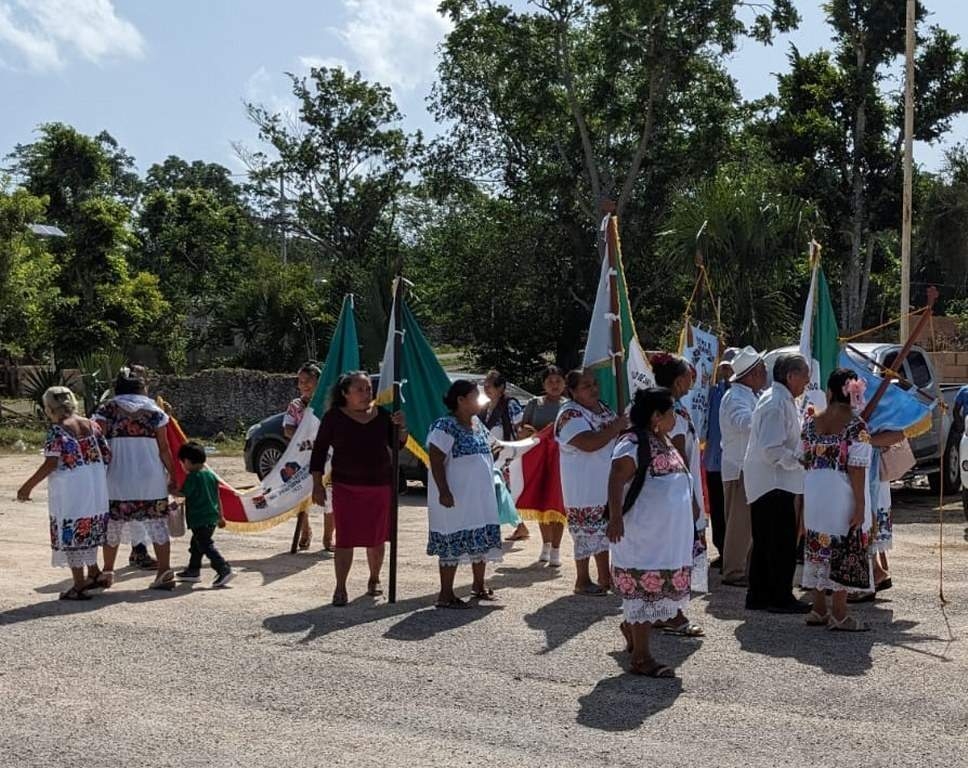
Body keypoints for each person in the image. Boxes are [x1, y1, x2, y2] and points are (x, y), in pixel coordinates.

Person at [607, 388, 695, 677]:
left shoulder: (663, 439)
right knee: (644, 591)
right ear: (656, 416)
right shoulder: (632, 443)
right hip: (643, 536)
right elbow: (617, 476)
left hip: (666, 537)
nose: (674, 417)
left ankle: (633, 629)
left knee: (652, 593)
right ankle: (642, 658)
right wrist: (616, 518)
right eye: (670, 412)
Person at [310, 372, 405, 606]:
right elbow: (319, 451)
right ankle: (340, 587)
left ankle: (374, 579)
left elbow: (396, 445)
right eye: (360, 390)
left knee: (377, 537)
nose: (366, 394)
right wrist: (317, 485)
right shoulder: (333, 417)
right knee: (345, 538)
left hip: (379, 486)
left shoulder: (383, 416)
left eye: (368, 390)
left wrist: (402, 428)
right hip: (345, 486)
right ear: (345, 393)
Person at [16, 387, 110, 600]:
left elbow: (51, 462)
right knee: (89, 527)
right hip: (95, 486)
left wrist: (27, 486)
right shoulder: (92, 425)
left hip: (71, 488)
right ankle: (94, 572)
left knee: (72, 530)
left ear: (49, 408)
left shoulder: (57, 431)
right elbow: (106, 455)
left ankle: (79, 584)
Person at [800, 369, 875, 630]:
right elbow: (857, 468)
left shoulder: (810, 423)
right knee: (844, 546)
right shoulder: (857, 426)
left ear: (830, 392)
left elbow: (804, 458)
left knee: (818, 544)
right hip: (841, 491)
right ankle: (840, 613)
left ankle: (819, 608)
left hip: (814, 490)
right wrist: (861, 505)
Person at [92, 369, 176, 591]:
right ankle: (164, 571)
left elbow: (98, 443)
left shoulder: (107, 409)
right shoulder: (155, 411)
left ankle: (108, 571)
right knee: (157, 524)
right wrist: (174, 475)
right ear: (141, 388)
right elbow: (165, 448)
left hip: (117, 476)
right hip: (151, 477)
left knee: (113, 525)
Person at [743, 353, 812, 613]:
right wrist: (800, 459)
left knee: (766, 541)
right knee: (779, 542)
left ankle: (760, 595)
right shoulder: (775, 402)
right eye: (805, 376)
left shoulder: (782, 400)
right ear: (791, 376)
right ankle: (779, 596)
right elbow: (771, 449)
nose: (807, 382)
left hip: (772, 482)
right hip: (773, 482)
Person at [426, 380, 502, 608]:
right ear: (460, 400)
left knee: (480, 540)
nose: (480, 399)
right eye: (474, 395)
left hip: (480, 498)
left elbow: (491, 448)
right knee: (453, 540)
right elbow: (436, 458)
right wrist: (444, 491)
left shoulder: (477, 424)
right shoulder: (444, 426)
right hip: (455, 499)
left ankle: (478, 585)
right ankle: (446, 594)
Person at [555, 369, 626, 595]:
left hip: (606, 479)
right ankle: (582, 579)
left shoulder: (603, 407)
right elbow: (588, 443)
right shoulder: (569, 415)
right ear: (573, 391)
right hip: (583, 484)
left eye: (594, 384)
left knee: (604, 531)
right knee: (586, 532)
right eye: (586, 386)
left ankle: (605, 577)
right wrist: (616, 427)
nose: (594, 389)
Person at [718, 346, 768, 587]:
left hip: (748, 468)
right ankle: (733, 571)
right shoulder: (736, 397)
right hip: (739, 468)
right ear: (753, 374)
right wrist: (766, 419)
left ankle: (743, 568)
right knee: (740, 523)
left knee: (748, 523)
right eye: (762, 370)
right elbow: (743, 422)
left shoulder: (751, 395)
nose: (766, 374)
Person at [519, 365, 567, 564]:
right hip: (538, 459)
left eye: (558, 381)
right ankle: (546, 545)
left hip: (561, 461)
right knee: (541, 502)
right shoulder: (534, 403)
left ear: (564, 383)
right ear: (544, 384)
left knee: (558, 503)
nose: (554, 385)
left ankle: (556, 549)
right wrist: (531, 431)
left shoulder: (569, 405)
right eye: (550, 381)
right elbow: (522, 428)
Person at [284, 362, 332, 551]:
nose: (304, 385)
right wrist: (303, 434)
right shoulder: (295, 405)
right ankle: (305, 531)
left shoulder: (327, 404)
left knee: (329, 497)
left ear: (318, 382)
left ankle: (328, 538)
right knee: (300, 496)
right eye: (300, 381)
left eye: (308, 381)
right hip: (302, 457)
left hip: (327, 458)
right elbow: (288, 429)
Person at [174, 441, 233, 588]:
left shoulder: (193, 477)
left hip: (199, 518)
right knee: (196, 545)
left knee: (206, 545)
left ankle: (223, 568)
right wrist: (221, 516)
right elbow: (217, 497)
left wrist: (169, 490)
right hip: (211, 517)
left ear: (186, 461)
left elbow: (183, 493)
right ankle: (193, 570)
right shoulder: (210, 476)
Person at [480, 369, 528, 541]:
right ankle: (518, 526)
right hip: (491, 456)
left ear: (501, 388)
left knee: (505, 493)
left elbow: (520, 427)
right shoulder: (484, 408)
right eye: (484, 385)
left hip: (509, 457)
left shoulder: (510, 404)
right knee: (498, 493)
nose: (486, 388)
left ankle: (519, 526)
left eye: (490, 385)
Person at [704, 352, 735, 566]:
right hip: (714, 460)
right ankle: (722, 549)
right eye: (723, 367)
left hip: (732, 462)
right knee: (717, 509)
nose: (726, 372)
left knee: (733, 510)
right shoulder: (713, 392)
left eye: (730, 368)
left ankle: (734, 553)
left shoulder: (744, 394)